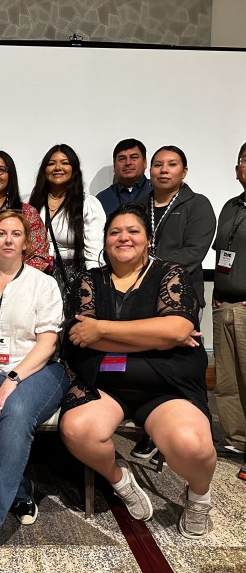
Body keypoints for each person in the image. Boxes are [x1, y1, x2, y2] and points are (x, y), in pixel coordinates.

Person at [60, 203, 215, 540]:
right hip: (106, 386)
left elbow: (176, 329)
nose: (123, 237)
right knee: (76, 430)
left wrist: (102, 330)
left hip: (166, 386)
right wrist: (156, 339)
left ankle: (199, 497)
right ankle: (119, 479)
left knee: (193, 446)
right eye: (115, 232)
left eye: (133, 231)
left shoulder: (170, 273)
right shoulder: (89, 280)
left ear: (148, 241)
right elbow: (80, 338)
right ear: (104, 241)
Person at [0, 211, 69, 569]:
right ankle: (20, 490)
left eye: (15, 233)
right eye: (0, 233)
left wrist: (14, 380)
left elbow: (48, 343)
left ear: (26, 241)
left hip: (37, 371)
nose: (7, 239)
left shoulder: (43, 283)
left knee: (16, 414)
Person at [133, 145, 216, 460]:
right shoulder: (140, 206)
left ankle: (195, 433)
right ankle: (153, 429)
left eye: (171, 164)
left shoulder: (197, 205)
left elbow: (194, 254)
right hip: (143, 296)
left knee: (181, 363)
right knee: (150, 361)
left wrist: (149, 265)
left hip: (180, 299)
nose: (163, 170)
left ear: (184, 171)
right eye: (157, 165)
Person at [28, 144, 104, 301]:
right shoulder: (30, 203)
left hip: (74, 278)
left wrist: (94, 286)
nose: (57, 167)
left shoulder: (88, 204)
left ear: (74, 169)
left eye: (64, 162)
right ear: (44, 170)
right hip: (34, 276)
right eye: (51, 163)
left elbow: (94, 253)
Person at [212, 141, 246, 479]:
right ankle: (238, 440)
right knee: (228, 381)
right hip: (225, 304)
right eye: (243, 161)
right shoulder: (231, 206)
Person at [95, 138, 152, 217]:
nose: (128, 163)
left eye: (134, 157)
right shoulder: (102, 199)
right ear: (114, 166)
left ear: (145, 163)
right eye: (122, 159)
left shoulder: (158, 191)